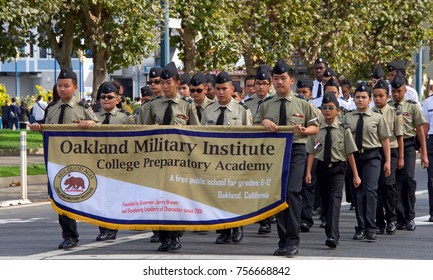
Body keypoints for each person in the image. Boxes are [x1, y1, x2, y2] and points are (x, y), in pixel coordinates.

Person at [29, 69, 99, 250]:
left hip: (78, 161)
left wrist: (90, 123)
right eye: (59, 86)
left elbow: (99, 127)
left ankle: (106, 226)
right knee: (61, 198)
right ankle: (69, 235)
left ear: (75, 87)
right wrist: (38, 128)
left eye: (66, 86)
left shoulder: (83, 109)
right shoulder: (51, 108)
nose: (62, 89)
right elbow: (46, 128)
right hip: (56, 161)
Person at [256, 59, 319, 257]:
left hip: (296, 150)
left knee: (292, 192)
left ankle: (293, 240)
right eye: (276, 79)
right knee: (279, 195)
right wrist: (264, 122)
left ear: (291, 80)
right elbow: (255, 125)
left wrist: (304, 130)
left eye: (283, 78)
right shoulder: (266, 105)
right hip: (274, 152)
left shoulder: (302, 103)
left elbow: (315, 127)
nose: (279, 82)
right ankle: (283, 240)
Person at [144, 62, 200, 252]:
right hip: (157, 159)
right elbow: (145, 132)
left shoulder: (187, 106)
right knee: (158, 198)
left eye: (169, 82)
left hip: (179, 160)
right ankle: (163, 236)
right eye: (162, 83)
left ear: (177, 82)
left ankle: (174, 236)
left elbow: (197, 133)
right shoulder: (153, 105)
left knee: (174, 199)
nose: (165, 86)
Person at [201, 71, 252, 244]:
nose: (221, 92)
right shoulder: (208, 111)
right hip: (214, 161)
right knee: (218, 196)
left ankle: (237, 227)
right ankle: (222, 230)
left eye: (224, 89)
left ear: (232, 89)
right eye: (218, 89)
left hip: (235, 161)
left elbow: (250, 138)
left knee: (234, 196)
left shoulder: (243, 111)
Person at [305, 92, 360, 248]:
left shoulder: (343, 129)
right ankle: (329, 229)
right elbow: (311, 152)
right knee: (326, 202)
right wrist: (308, 172)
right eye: (324, 107)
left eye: (331, 108)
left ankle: (332, 236)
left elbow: (349, 153)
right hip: (321, 169)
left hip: (338, 169)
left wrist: (355, 175)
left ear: (338, 111)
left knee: (335, 202)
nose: (327, 110)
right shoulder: (316, 129)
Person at [342, 82, 391, 241]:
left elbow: (385, 140)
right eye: (357, 97)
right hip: (354, 158)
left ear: (369, 99)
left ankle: (371, 227)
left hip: (372, 157)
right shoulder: (347, 117)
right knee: (358, 193)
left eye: (364, 97)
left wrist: (388, 161)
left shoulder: (377, 117)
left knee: (370, 191)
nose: (360, 100)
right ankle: (360, 227)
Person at [93, 81, 134, 241]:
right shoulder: (93, 117)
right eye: (103, 97)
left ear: (118, 99)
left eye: (110, 97)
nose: (106, 100)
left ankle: (112, 228)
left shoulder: (126, 118)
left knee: (114, 197)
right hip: (98, 162)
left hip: (119, 163)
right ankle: (104, 228)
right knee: (100, 198)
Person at [389, 71, 428, 231]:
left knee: (409, 180)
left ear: (405, 90)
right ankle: (399, 217)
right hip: (393, 146)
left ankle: (410, 217)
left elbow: (420, 131)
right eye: (394, 91)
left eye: (399, 91)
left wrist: (424, 154)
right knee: (395, 182)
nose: (397, 94)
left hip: (409, 145)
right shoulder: (388, 107)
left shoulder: (412, 107)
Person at [372, 79, 404, 235]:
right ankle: (379, 222)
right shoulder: (369, 113)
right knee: (376, 188)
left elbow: (399, 137)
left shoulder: (394, 113)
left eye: (381, 96)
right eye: (375, 96)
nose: (378, 99)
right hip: (374, 152)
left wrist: (401, 157)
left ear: (387, 96)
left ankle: (391, 218)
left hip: (390, 152)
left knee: (388, 186)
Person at [245, 68, 273, 234]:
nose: (261, 87)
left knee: (268, 184)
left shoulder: (274, 101)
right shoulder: (248, 103)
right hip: (252, 148)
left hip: (270, 149)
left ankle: (266, 219)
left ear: (269, 85)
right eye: (258, 83)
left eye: (264, 84)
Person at [422, 90, 433, 222]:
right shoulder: (428, 102)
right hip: (432, 140)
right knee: (431, 178)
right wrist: (423, 149)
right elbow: (424, 127)